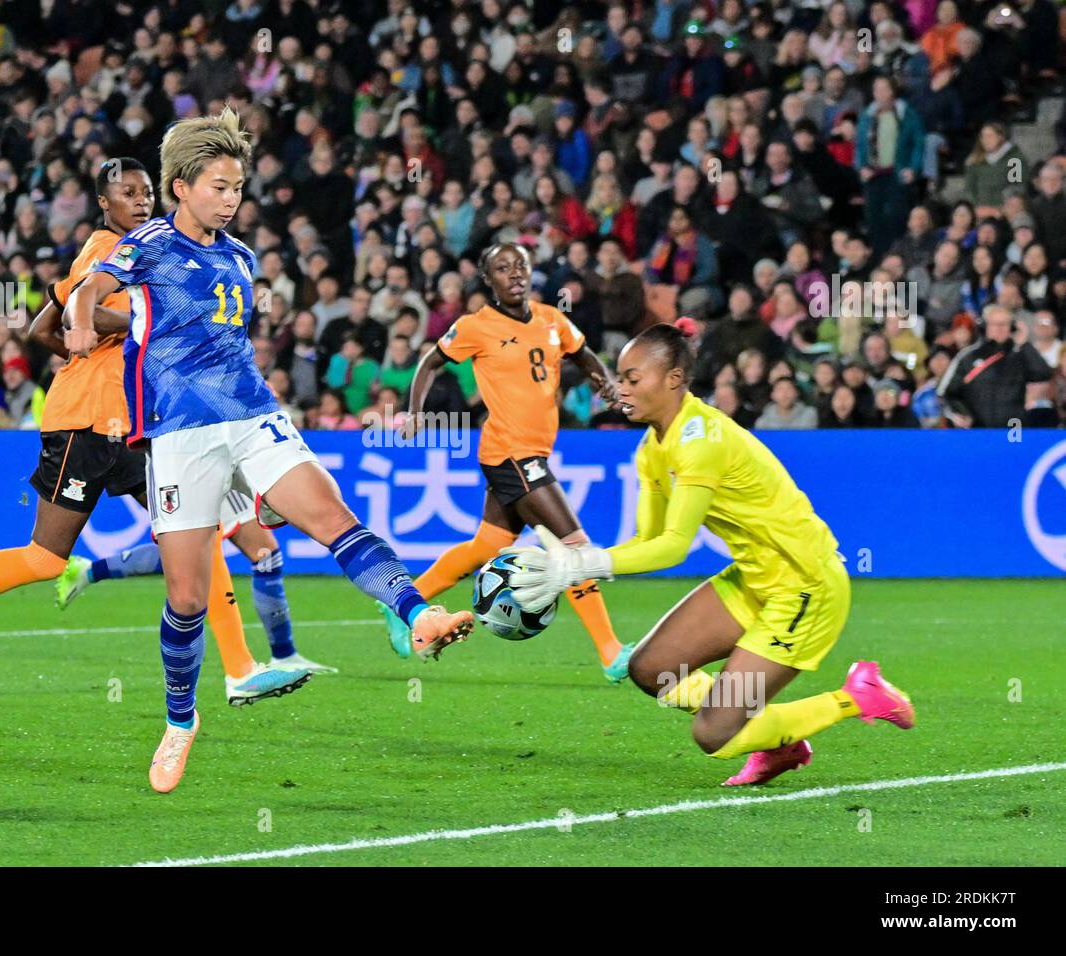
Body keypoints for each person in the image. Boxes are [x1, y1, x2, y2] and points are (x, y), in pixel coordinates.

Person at [61, 110, 472, 793]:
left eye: (238, 187)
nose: (231, 198)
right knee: (189, 598)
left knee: (331, 513)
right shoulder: (149, 245)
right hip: (181, 434)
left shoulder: (241, 257)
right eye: (219, 186)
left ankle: (417, 612)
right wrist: (79, 326)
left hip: (252, 416)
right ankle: (180, 720)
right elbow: (89, 292)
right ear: (181, 186)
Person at [0, 158, 313, 709]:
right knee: (44, 559)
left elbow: (41, 327)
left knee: (195, 531)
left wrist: (98, 345)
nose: (141, 201)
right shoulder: (110, 249)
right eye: (127, 194)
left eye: (145, 192)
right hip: (85, 423)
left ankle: (240, 670)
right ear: (105, 204)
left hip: (133, 425)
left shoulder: (151, 248)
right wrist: (129, 333)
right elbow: (79, 316)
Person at [501, 324, 915, 785]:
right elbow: (647, 540)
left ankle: (858, 697)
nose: (622, 388)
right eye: (621, 377)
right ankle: (773, 737)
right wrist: (580, 562)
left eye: (634, 378)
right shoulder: (652, 447)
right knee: (650, 669)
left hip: (806, 585)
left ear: (674, 378)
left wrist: (585, 565)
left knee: (713, 733)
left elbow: (675, 546)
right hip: (755, 578)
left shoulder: (701, 442)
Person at [391, 241, 632, 682]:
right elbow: (430, 363)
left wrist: (607, 384)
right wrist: (416, 410)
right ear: (489, 281)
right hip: (511, 452)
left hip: (532, 452)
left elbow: (585, 355)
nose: (514, 273)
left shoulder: (551, 319)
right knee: (574, 546)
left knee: (486, 548)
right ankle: (611, 652)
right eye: (502, 268)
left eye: (519, 265)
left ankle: (406, 600)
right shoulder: (476, 326)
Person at [55, 491, 335, 676]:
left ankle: (90, 570)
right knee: (255, 555)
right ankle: (276, 658)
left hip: (216, 454)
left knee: (189, 556)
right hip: (211, 456)